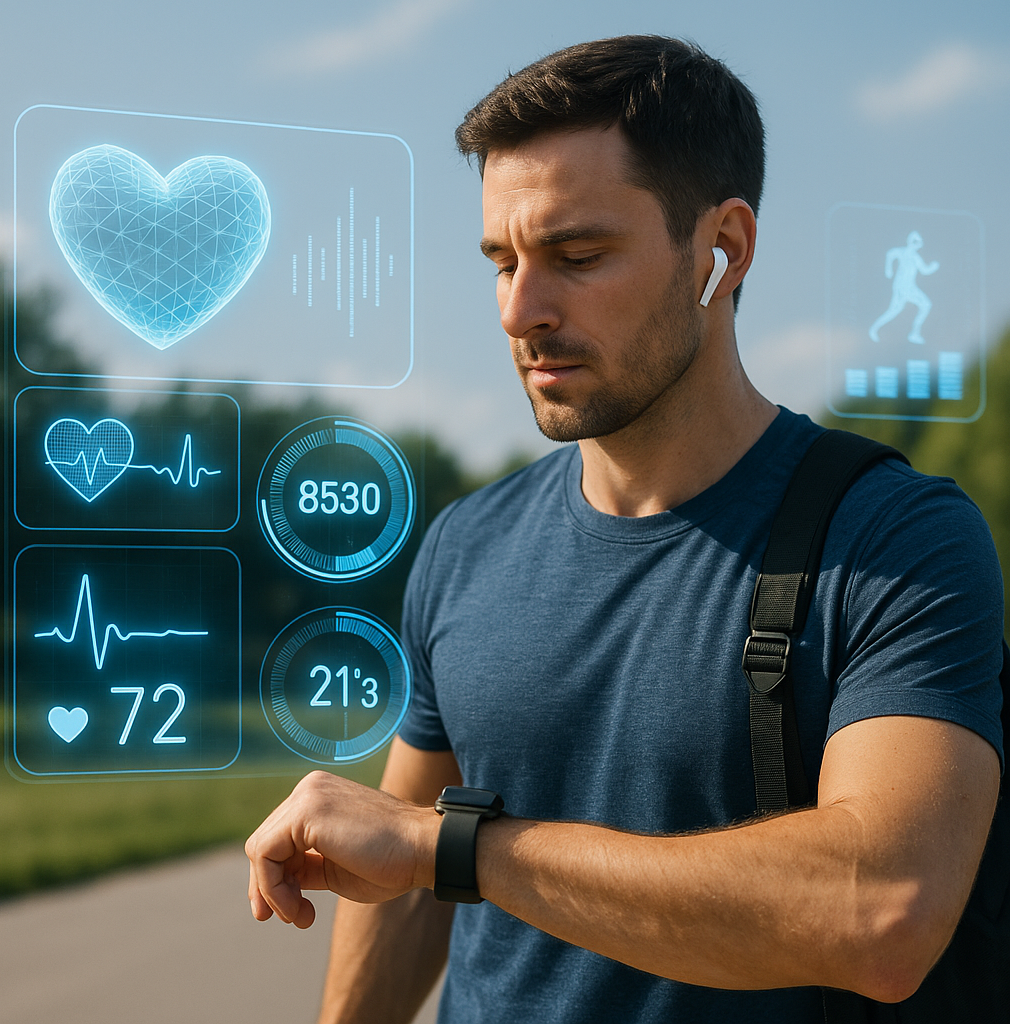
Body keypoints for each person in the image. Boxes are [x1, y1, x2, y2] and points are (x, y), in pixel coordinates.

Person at [245, 36, 1004, 1023]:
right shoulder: (465, 545)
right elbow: (402, 894)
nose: (520, 309)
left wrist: (456, 847)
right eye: (501, 261)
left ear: (720, 250)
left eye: (576, 256)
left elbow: (882, 908)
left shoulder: (891, 537)